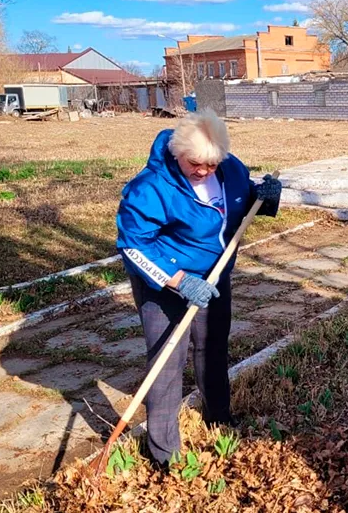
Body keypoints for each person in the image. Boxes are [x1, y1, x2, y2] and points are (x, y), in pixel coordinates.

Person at [116, 110, 282, 467]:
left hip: (214, 279)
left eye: (211, 164)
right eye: (195, 164)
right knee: (166, 363)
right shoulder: (151, 188)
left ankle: (219, 417)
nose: (204, 171)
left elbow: (241, 202)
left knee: (212, 349)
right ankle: (164, 452)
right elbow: (132, 245)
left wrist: (264, 196)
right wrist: (177, 280)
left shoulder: (230, 169)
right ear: (178, 152)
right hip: (164, 283)